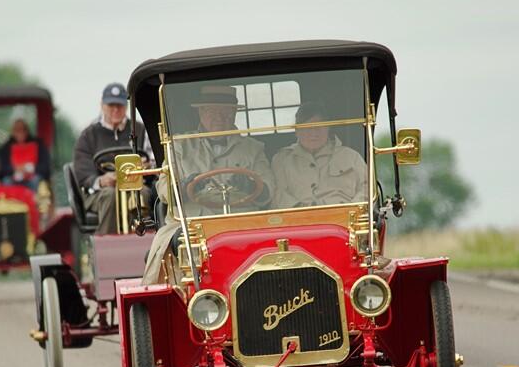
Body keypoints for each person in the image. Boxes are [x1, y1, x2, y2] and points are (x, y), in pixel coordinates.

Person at [141, 84, 273, 284]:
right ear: (200, 112)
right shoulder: (178, 146)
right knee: (177, 247)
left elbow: (270, 191)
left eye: (226, 112)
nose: (219, 118)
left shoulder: (253, 149)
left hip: (243, 225)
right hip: (191, 227)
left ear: (235, 113)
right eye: (212, 111)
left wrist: (250, 184)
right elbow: (163, 189)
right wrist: (183, 187)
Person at [73, 82, 151, 234]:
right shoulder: (88, 134)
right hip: (101, 191)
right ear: (102, 105)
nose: (115, 110)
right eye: (111, 105)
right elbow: (82, 171)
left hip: (136, 185)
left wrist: (145, 167)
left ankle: (145, 240)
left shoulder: (140, 130)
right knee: (110, 195)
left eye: (119, 106)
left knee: (144, 194)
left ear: (126, 107)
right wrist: (100, 181)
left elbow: (153, 159)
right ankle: (107, 245)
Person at [271, 102, 365, 209]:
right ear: (296, 131)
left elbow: (368, 188)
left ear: (328, 128)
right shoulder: (281, 160)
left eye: (318, 127)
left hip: (345, 219)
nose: (313, 133)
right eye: (307, 127)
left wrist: (353, 209)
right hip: (297, 221)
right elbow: (276, 193)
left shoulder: (351, 156)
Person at [0, 119, 51, 192]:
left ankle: (34, 203)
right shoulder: (6, 147)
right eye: (17, 130)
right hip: (13, 178)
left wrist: (29, 168)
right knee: (6, 181)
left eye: (23, 129)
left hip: (33, 177)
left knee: (37, 181)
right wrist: (15, 168)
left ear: (27, 131)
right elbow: (2, 169)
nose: (21, 132)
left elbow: (45, 168)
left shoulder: (38, 144)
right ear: (13, 132)